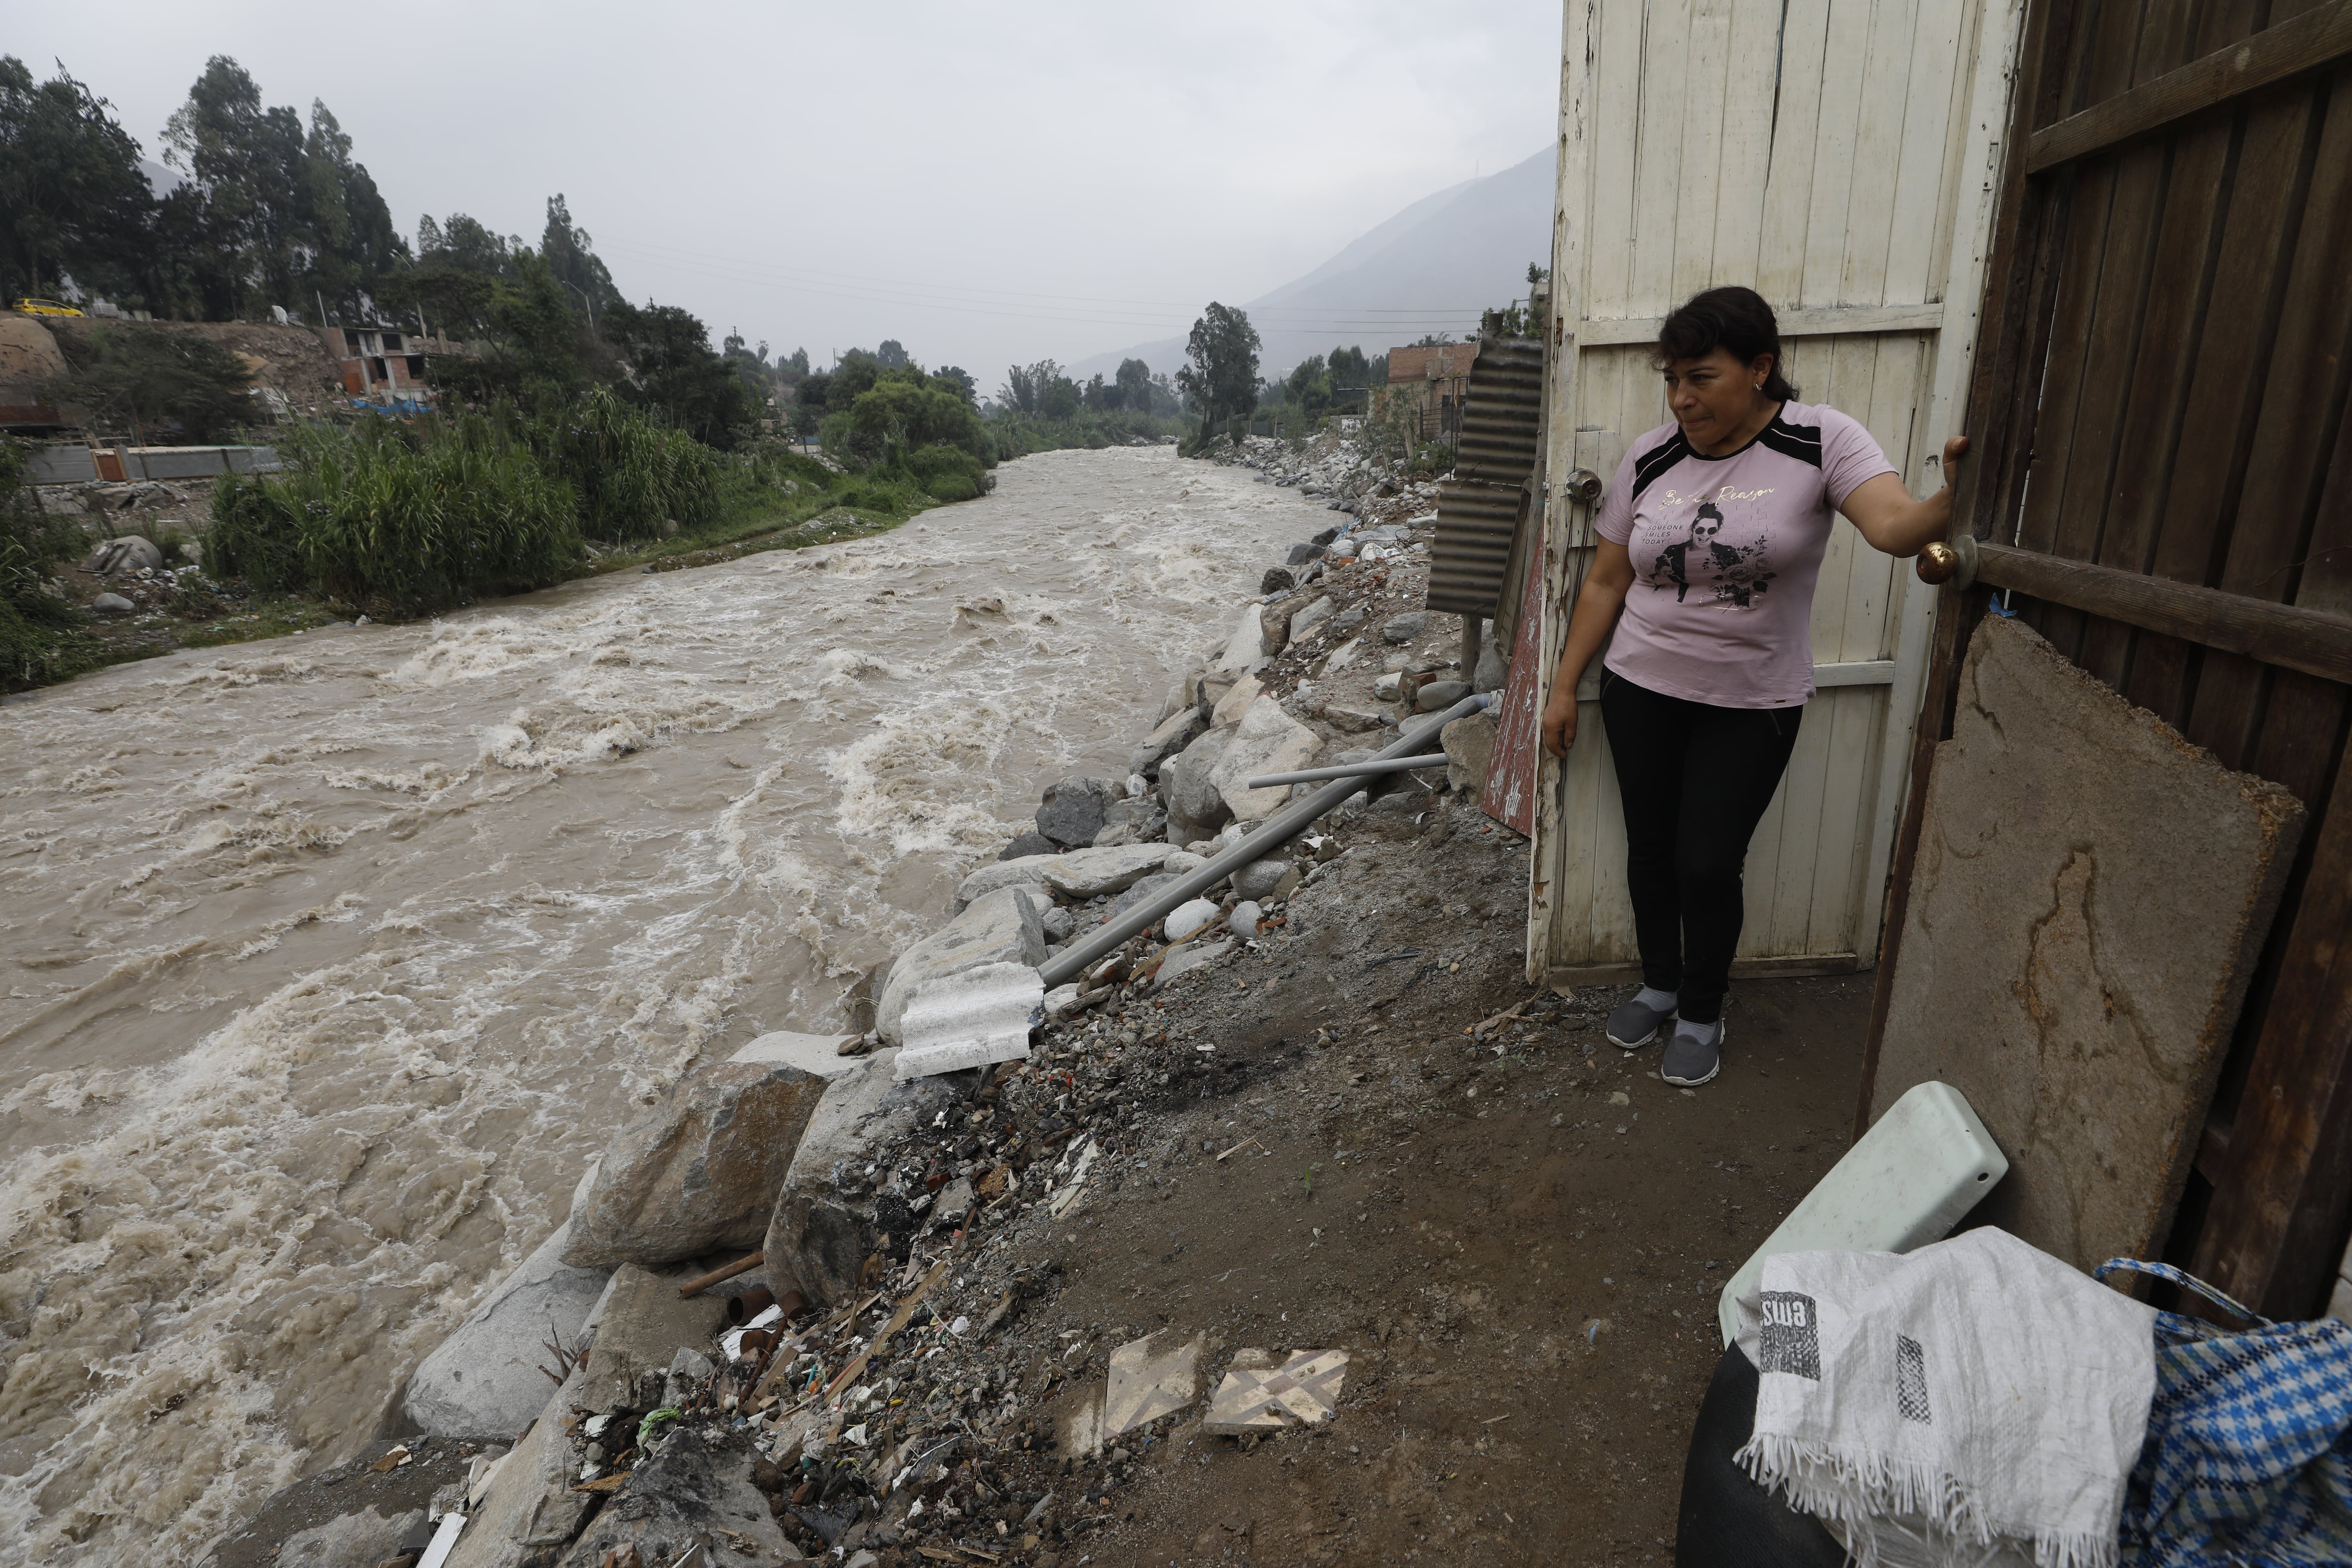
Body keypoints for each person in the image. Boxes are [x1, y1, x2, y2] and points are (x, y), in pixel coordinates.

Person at [1538, 285, 1965, 1088]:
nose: (1681, 398)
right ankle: (1660, 982)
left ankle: (1703, 1006)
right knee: (1651, 851)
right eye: (1672, 380)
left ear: (1761, 367)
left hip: (1751, 703)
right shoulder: (1652, 455)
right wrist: (1565, 687)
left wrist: (1953, 498)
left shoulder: (1822, 440)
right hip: (1641, 686)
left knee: (1708, 861)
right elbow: (1604, 582)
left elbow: (1894, 528)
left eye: (1700, 377)